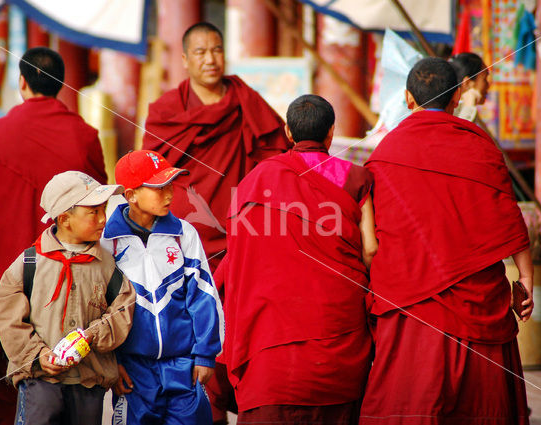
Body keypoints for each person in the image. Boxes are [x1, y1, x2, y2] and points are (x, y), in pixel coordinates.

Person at [359, 57, 533, 424]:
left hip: (411, 298)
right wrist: (526, 279)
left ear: (408, 98)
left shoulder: (385, 154)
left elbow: (372, 237)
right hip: (476, 298)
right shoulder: (481, 149)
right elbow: (507, 216)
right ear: (457, 98)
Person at [0, 47, 107, 424]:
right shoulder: (84, 135)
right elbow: (98, 206)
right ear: (62, 83)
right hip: (72, 279)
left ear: (21, 82)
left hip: (13, 271)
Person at [142, 21, 290, 423]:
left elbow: (276, 161)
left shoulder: (245, 99)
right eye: (202, 52)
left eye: (217, 50)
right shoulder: (167, 112)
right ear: (186, 59)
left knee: (244, 332)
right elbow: (149, 180)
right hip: (187, 244)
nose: (211, 59)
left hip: (245, 242)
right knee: (191, 337)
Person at [222, 95, 375, 424]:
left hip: (271, 341)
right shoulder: (353, 176)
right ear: (331, 132)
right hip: (338, 333)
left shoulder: (258, 179)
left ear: (288, 133)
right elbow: (371, 249)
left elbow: (239, 254)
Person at [0, 171, 135, 424]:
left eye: (104, 209)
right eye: (93, 212)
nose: (104, 219)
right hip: (39, 381)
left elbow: (123, 310)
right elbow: (9, 320)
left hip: (89, 382)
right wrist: (38, 355)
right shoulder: (30, 263)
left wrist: (93, 334)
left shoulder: (107, 267)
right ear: (64, 219)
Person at [101, 150, 224, 425]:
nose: (169, 194)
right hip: (132, 369)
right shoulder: (107, 243)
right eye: (158, 188)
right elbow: (99, 310)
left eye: (170, 185)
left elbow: (203, 295)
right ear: (131, 195)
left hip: (184, 365)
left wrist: (205, 354)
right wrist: (111, 362)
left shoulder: (183, 234)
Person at [449, 52, 490, 121]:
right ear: (467, 83)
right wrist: (469, 106)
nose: (488, 85)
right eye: (484, 79)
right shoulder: (447, 110)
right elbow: (459, 131)